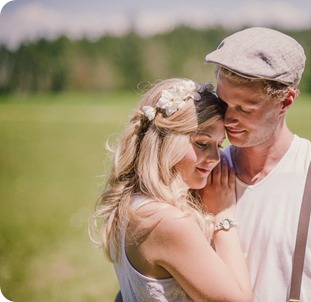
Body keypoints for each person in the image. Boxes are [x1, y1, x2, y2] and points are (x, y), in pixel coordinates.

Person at [204, 27, 311, 301]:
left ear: (286, 101)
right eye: (223, 103)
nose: (228, 119)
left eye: (246, 109)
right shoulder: (204, 172)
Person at [90, 78, 252, 302]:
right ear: (167, 142)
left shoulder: (133, 203)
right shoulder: (168, 222)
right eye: (202, 143)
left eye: (219, 145)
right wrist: (223, 215)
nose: (216, 158)